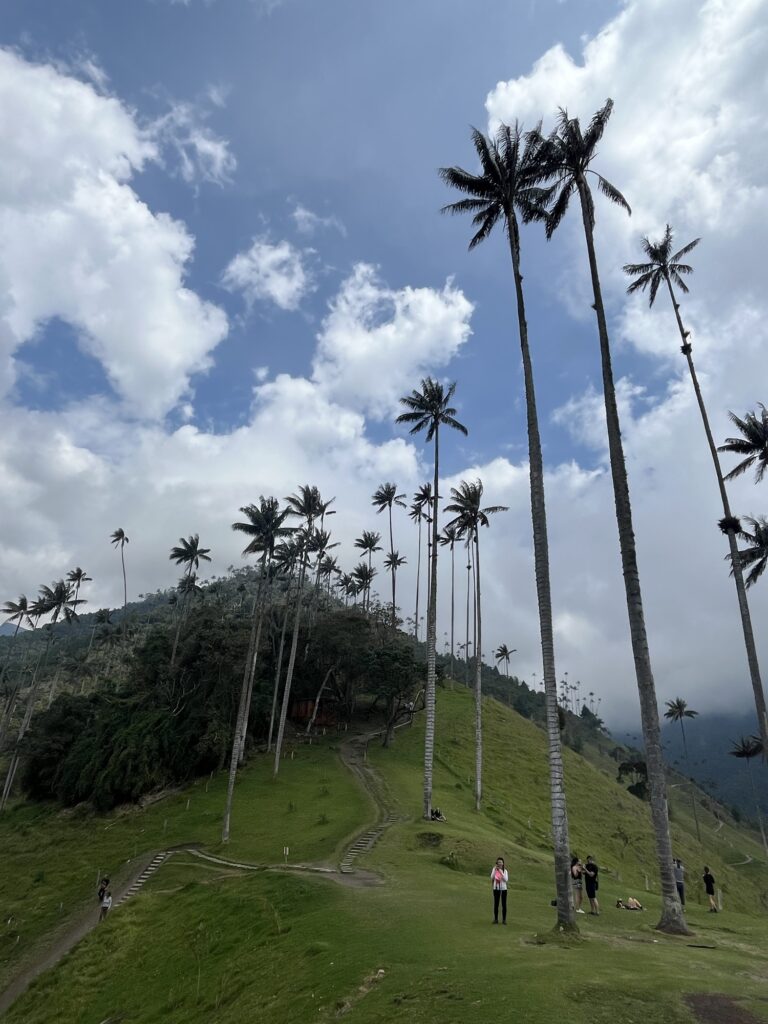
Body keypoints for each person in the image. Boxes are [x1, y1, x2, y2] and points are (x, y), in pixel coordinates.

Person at [490, 857, 508, 924]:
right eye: (498, 862)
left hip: (503, 889)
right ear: (497, 863)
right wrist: (495, 870)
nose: (500, 863)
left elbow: (506, 879)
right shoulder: (494, 869)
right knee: (496, 904)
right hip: (496, 888)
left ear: (503, 863)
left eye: (501, 862)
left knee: (504, 904)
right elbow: (491, 877)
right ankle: (496, 919)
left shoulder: (505, 871)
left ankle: (504, 920)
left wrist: (500, 872)